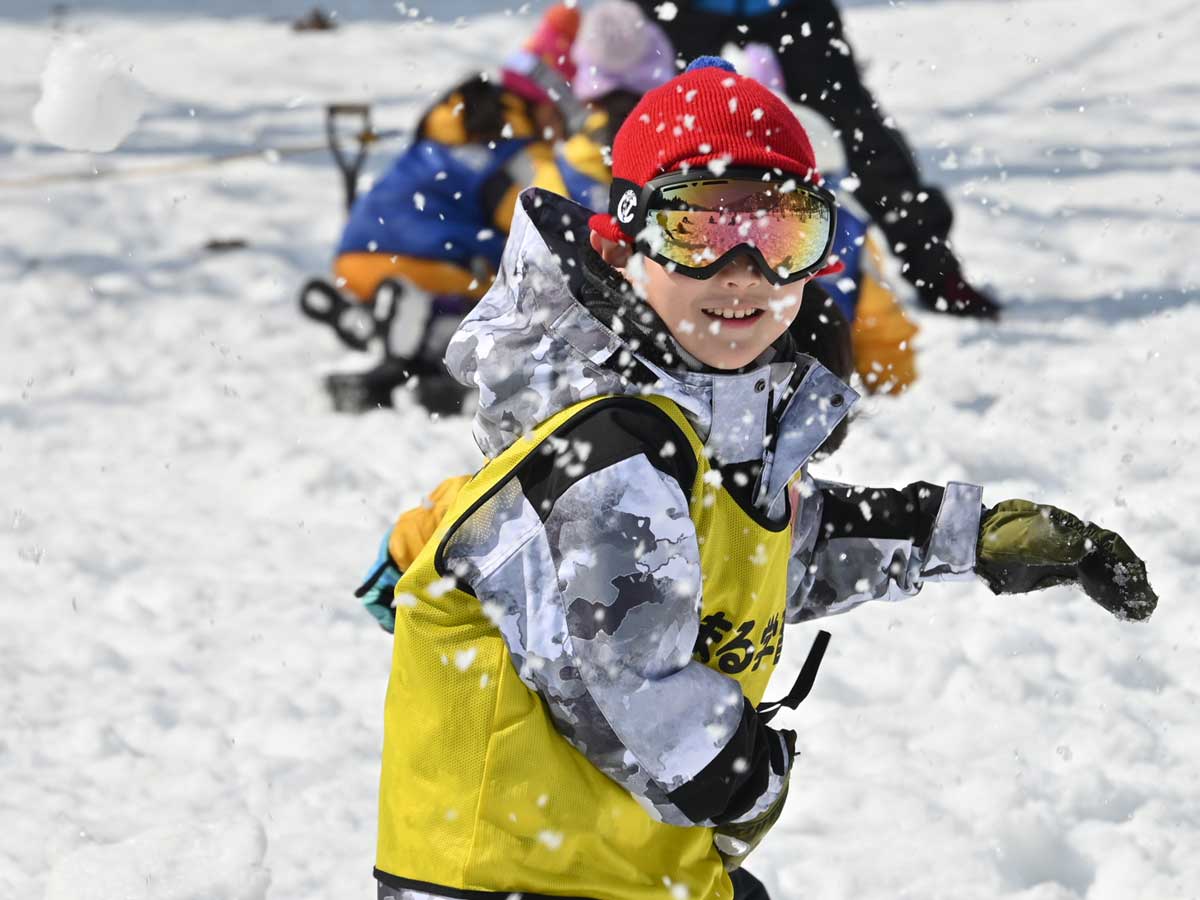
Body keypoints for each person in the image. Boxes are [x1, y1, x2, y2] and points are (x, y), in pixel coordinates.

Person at [369, 60, 1156, 900]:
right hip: (504, 879)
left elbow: (779, 550)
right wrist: (747, 780)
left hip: (627, 870)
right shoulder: (610, 446)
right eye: (697, 232)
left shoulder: (712, 434)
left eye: (781, 235)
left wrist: (970, 537)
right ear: (619, 244)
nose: (742, 270)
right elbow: (625, 691)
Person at [633, 0, 1001, 319]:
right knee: (655, 130)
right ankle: (639, 271)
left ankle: (935, 269)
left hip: (792, 9)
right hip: (684, 11)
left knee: (858, 132)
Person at [303, 5, 582, 414]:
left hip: (356, 254)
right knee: (505, 302)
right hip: (430, 265)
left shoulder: (456, 118)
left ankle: (371, 320)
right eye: (566, 115)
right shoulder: (523, 153)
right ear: (547, 103)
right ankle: (428, 338)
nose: (564, 130)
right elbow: (549, 223)